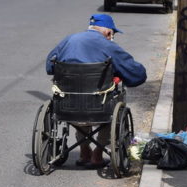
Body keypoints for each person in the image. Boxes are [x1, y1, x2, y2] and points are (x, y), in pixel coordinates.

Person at [46, 14, 147, 168]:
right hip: (99, 108)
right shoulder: (108, 46)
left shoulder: (68, 40)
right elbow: (137, 75)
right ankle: (98, 154)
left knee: (80, 99)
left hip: (68, 106)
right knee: (111, 104)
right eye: (113, 34)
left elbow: (49, 66)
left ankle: (84, 150)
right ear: (108, 33)